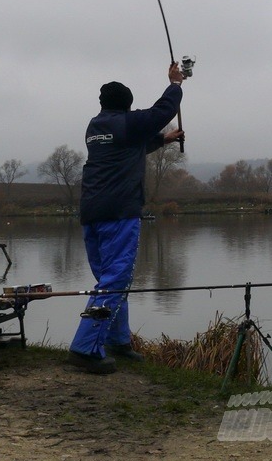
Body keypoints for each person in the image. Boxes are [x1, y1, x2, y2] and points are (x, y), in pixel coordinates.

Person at [67, 61, 186, 374]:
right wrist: (175, 85)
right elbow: (161, 112)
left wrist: (164, 140)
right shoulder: (126, 123)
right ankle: (85, 348)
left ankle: (117, 341)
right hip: (119, 212)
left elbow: (131, 145)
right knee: (116, 278)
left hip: (92, 213)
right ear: (127, 104)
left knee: (109, 279)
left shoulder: (96, 128)